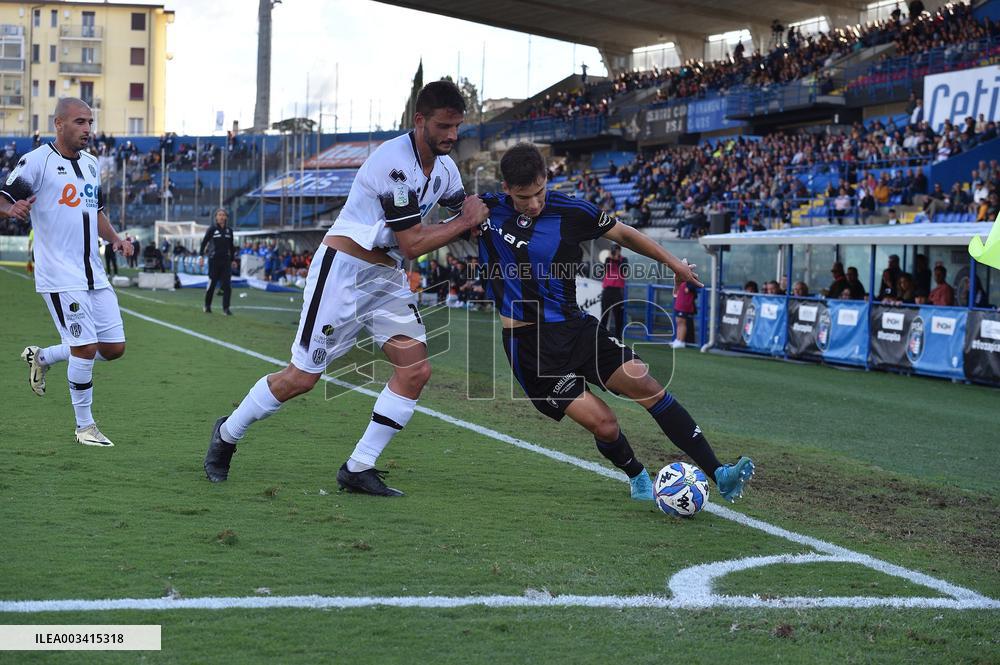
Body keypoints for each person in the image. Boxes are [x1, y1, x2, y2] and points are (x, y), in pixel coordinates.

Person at [203, 80, 489, 496]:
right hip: (345, 272)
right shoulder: (393, 163)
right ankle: (227, 434)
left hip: (385, 277)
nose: (451, 136)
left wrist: (504, 212)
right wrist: (465, 222)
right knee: (301, 378)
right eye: (444, 126)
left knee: (415, 370)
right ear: (420, 120)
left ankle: (358, 467)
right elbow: (413, 242)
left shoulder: (445, 167)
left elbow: (464, 209)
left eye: (457, 127)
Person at [477, 143, 754, 504]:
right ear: (506, 188)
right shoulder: (485, 209)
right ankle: (637, 473)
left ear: (548, 179)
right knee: (605, 424)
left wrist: (674, 263)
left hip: (576, 329)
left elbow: (623, 233)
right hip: (531, 349)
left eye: (540, 192)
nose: (534, 203)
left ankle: (719, 472)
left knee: (649, 386)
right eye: (524, 197)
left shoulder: (571, 211)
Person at [6, 97, 133, 447]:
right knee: (85, 347)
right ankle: (84, 427)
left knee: (113, 348)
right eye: (80, 122)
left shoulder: (91, 164)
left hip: (93, 271)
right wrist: (10, 209)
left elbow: (97, 211)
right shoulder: (36, 162)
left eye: (90, 122)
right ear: (59, 124)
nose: (88, 130)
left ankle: (42, 357)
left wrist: (117, 240)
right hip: (60, 273)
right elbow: (3, 197)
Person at [200, 208, 236, 315]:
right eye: (219, 215)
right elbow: (204, 243)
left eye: (223, 215)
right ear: (216, 217)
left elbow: (231, 246)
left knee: (227, 286)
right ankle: (207, 306)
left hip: (226, 261)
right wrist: (201, 257)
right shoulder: (212, 229)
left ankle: (226, 308)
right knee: (212, 284)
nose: (221, 217)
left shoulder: (229, 231)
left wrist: (233, 260)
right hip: (214, 261)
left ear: (226, 217)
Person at [600, 244, 627, 340]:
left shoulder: (624, 260)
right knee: (604, 313)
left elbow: (623, 270)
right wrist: (611, 258)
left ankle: (618, 336)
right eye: (613, 250)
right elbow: (605, 269)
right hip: (607, 290)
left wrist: (616, 258)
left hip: (617, 291)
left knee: (618, 315)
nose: (615, 252)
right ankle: (602, 335)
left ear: (620, 251)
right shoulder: (608, 259)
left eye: (616, 250)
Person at [672, 280, 697, 349]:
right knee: (678, 322)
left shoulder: (691, 280)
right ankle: (678, 339)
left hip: (685, 306)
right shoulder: (680, 279)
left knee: (682, 322)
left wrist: (689, 289)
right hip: (679, 304)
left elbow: (694, 291)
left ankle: (681, 341)